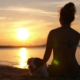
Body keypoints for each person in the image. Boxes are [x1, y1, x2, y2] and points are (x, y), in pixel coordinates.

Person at [43, 2, 80, 78]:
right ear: (71, 19)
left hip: (57, 71)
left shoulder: (53, 33)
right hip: (74, 71)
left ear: (60, 18)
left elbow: (47, 54)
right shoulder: (77, 34)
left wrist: (42, 64)